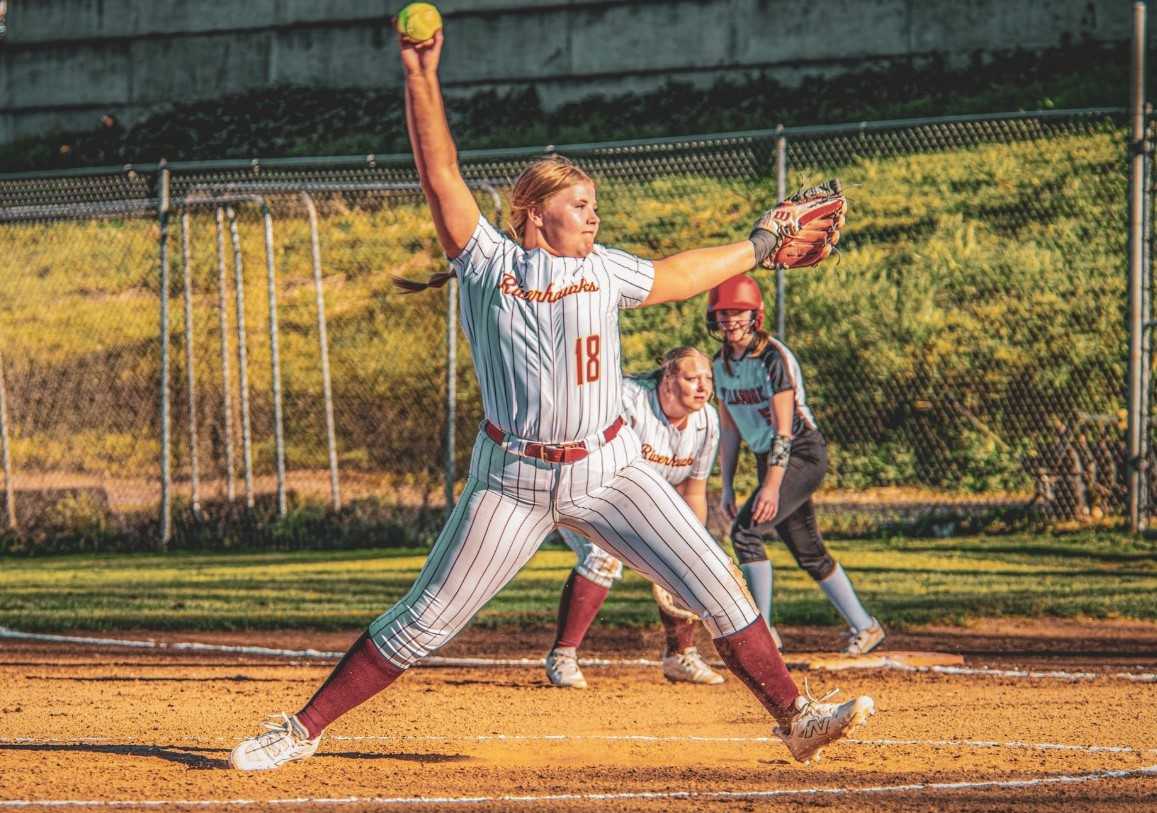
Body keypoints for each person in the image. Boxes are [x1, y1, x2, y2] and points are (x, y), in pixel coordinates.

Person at [228, 25, 874, 771]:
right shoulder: (486, 263)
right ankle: (300, 728)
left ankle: (796, 718)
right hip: (511, 480)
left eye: (594, 204)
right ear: (536, 213)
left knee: (717, 586)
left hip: (610, 469)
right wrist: (421, 78)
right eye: (579, 204)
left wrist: (758, 245)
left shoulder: (604, 269)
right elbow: (439, 173)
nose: (594, 215)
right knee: (424, 620)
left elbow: (680, 274)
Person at [708, 274, 886, 656]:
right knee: (808, 550)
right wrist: (727, 487)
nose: (730, 320)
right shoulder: (720, 365)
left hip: (800, 453)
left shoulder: (772, 357)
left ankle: (762, 634)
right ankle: (866, 626)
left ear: (754, 314)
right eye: (723, 313)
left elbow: (784, 431)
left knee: (746, 534)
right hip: (770, 459)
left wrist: (772, 486)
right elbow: (730, 428)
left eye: (738, 312)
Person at [545, 347, 726, 689]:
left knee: (688, 556)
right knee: (603, 556)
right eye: (692, 378)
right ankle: (562, 655)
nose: (703, 387)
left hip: (642, 501)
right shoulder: (627, 401)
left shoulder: (707, 422)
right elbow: (596, 466)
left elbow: (694, 492)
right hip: (580, 486)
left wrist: (688, 548)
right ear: (667, 380)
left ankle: (680, 655)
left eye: (708, 378)